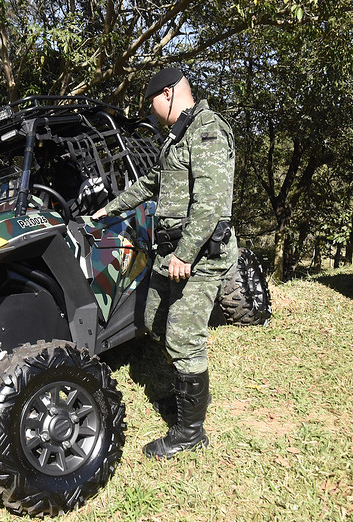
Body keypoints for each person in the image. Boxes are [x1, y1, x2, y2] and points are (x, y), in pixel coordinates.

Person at [92, 67, 238, 459]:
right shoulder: (177, 137)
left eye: (153, 102)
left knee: (183, 338)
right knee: (153, 319)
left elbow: (210, 207)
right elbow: (151, 182)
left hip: (200, 254)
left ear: (169, 94)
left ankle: (191, 431)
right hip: (169, 253)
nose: (152, 112)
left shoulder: (207, 131)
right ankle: (183, 395)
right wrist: (109, 208)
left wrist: (186, 254)